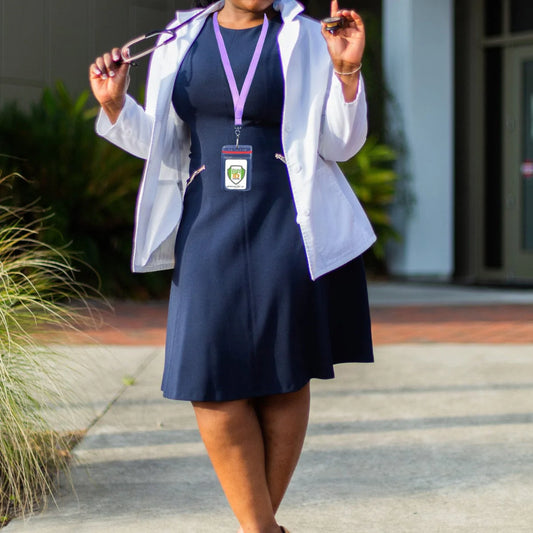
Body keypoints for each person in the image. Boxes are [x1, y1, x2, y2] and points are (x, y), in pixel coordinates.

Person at [89, 0, 375, 531]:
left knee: (285, 377)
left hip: (287, 220)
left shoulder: (309, 36)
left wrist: (347, 69)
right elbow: (164, 145)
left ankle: (257, 528)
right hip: (206, 220)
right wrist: (115, 105)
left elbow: (340, 143)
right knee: (208, 376)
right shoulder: (179, 37)